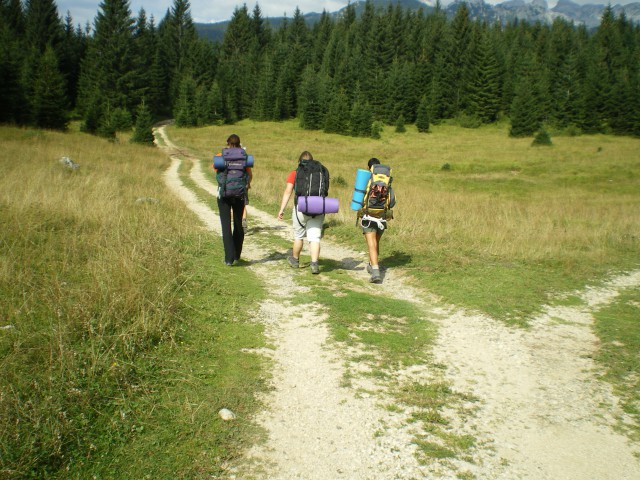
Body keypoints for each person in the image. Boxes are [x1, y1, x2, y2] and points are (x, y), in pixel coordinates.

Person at [277, 151, 325, 275]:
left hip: (300, 207)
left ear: (299, 162)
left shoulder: (295, 173)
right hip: (318, 207)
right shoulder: (320, 172)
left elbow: (288, 192)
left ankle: (295, 260)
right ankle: (314, 264)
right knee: (315, 237)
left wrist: (281, 210)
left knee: (299, 236)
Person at [215, 134, 252, 266]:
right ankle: (237, 255)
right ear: (239, 144)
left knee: (226, 226)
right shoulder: (244, 156)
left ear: (227, 143)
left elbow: (216, 171)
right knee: (238, 224)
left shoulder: (221, 155)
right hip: (240, 195)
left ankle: (228, 259)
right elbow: (249, 175)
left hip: (224, 195)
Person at [360, 157, 395, 283]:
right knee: (376, 242)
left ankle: (375, 272)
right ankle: (371, 264)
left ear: (369, 167)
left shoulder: (367, 179)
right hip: (382, 216)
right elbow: (392, 201)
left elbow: (359, 199)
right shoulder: (386, 180)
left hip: (368, 216)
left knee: (371, 243)